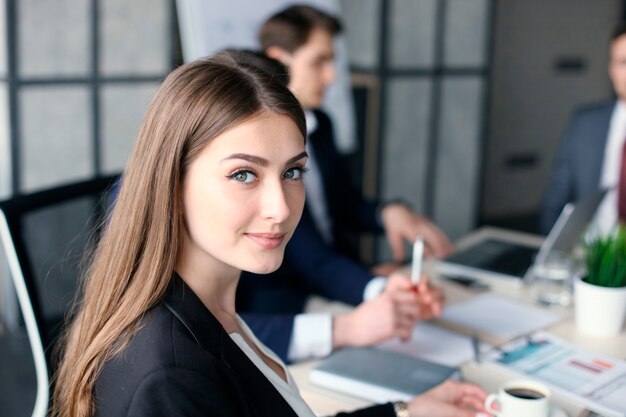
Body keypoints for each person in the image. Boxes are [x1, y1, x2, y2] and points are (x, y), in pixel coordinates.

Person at [52, 52, 487, 417]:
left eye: (293, 171)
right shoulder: (172, 377)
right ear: (171, 182)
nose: (281, 208)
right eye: (244, 174)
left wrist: (404, 413)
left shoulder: (211, 308)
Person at [237, 5, 450, 362]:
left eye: (293, 172)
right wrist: (372, 291)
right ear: (279, 61)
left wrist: (387, 213)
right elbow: (307, 254)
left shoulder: (320, 125)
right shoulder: (252, 147)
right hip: (281, 304)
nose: (333, 76)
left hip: (329, 285)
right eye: (320, 61)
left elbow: (342, 206)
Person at [541, 23, 626, 235]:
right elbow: (556, 199)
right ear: (611, 69)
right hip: (589, 251)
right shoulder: (585, 123)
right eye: (624, 62)